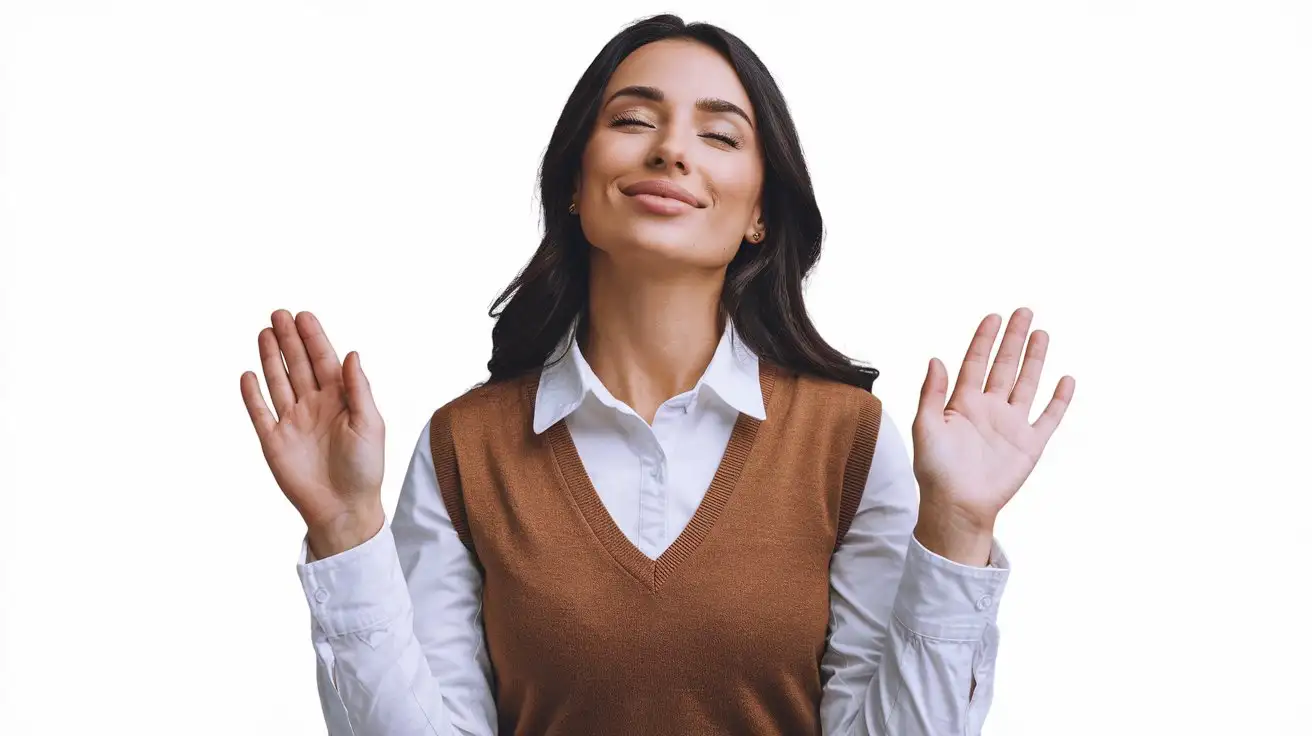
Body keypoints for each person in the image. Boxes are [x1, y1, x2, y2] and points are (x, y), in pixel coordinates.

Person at [239, 13, 1074, 736]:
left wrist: (958, 529)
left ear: (758, 213)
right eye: (635, 120)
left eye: (718, 134)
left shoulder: (847, 441)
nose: (673, 149)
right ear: (575, 183)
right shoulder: (467, 447)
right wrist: (347, 525)